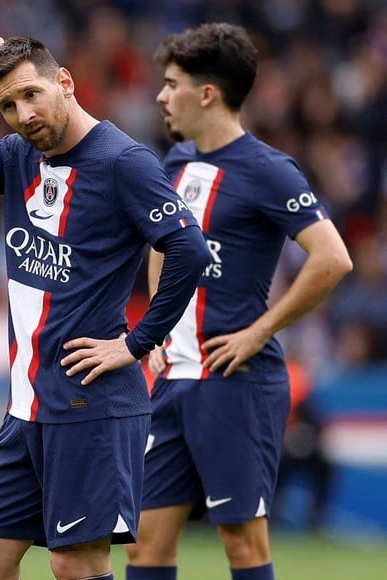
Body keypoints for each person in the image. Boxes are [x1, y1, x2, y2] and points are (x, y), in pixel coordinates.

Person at [0, 36, 211, 580]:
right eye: (7, 105)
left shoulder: (122, 162)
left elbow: (189, 249)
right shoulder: (18, 155)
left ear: (65, 82)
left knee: (75, 563)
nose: (23, 114)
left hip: (91, 405)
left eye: (31, 94)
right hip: (28, 404)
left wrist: (136, 343)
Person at [124, 23, 353, 580]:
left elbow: (333, 258)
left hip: (236, 379)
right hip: (173, 377)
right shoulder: (175, 161)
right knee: (142, 546)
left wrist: (259, 331)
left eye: (171, 83)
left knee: (242, 545)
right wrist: (159, 323)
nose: (160, 95)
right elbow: (163, 244)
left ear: (207, 93)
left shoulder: (268, 170)